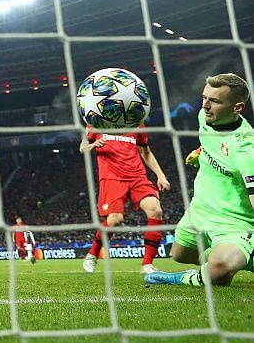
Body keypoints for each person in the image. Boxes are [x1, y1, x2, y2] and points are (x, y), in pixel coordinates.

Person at [145, 73, 254, 286]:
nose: (205, 105)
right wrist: (202, 153)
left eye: (215, 101)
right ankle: (226, 262)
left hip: (235, 222)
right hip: (201, 210)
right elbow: (217, 146)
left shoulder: (247, 149)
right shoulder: (204, 118)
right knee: (179, 255)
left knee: (220, 266)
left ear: (237, 108)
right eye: (204, 98)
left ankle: (218, 266)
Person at [79, 121, 170, 274]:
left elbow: (145, 152)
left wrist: (160, 175)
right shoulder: (97, 120)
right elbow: (82, 148)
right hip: (111, 177)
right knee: (115, 219)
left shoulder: (136, 121)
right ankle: (92, 255)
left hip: (137, 176)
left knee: (155, 210)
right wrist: (94, 145)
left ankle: (147, 264)